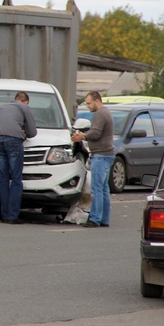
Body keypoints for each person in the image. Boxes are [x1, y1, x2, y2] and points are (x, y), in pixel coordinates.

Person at [0, 91, 37, 224]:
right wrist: (23, 131)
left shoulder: (2, 107)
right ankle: (12, 216)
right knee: (16, 179)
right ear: (26, 102)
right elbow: (32, 132)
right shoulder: (24, 107)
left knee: (3, 179)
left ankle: (4, 215)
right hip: (13, 141)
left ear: (15, 99)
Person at [71, 90, 114, 228]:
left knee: (96, 188)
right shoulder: (106, 112)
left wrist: (82, 136)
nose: (88, 106)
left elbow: (95, 133)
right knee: (103, 188)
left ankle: (95, 219)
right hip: (107, 154)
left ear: (97, 101)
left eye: (89, 103)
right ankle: (104, 219)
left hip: (101, 155)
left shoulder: (100, 114)